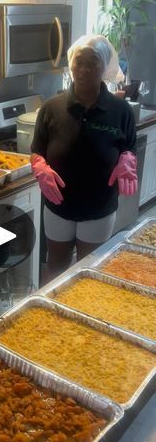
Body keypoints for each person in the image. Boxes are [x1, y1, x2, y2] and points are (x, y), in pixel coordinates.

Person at [31, 34, 137, 281]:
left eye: (93, 62)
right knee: (56, 267)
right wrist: (39, 166)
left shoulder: (121, 111)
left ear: (105, 67)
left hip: (99, 206)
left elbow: (128, 146)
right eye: (79, 61)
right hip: (58, 205)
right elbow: (37, 149)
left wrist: (127, 160)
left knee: (88, 273)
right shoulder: (51, 108)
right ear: (71, 63)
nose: (85, 69)